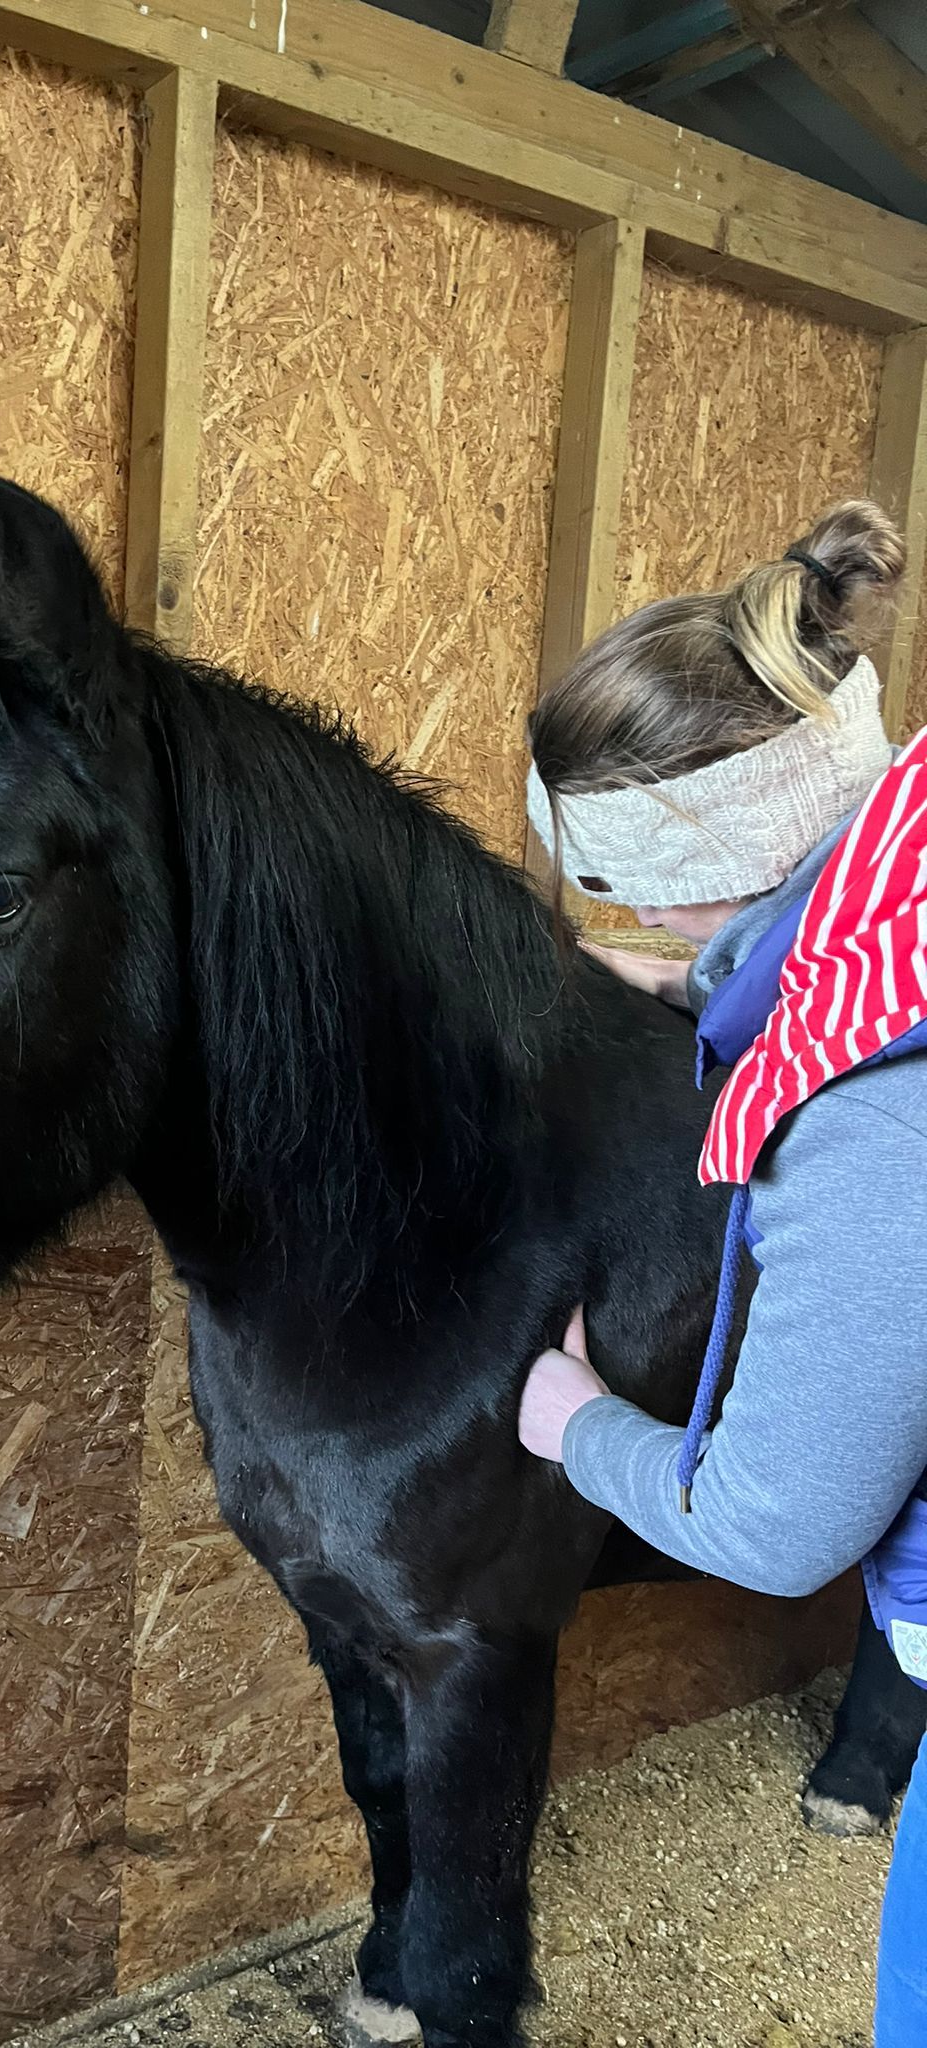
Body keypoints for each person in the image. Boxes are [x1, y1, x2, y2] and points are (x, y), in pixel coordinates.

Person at [518, 499, 927, 2044]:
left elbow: (771, 1527)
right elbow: (821, 946)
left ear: (678, 865)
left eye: (621, 889)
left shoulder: (882, 1116)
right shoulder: (907, 885)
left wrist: (570, 1420)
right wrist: (698, 974)